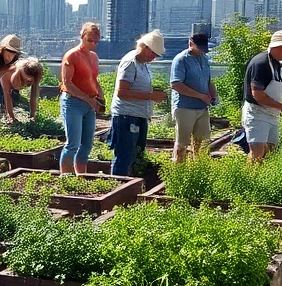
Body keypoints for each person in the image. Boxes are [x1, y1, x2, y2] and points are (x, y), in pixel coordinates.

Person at [108, 30, 167, 177]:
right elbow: (122, 92)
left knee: (135, 155)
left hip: (138, 115)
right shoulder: (130, 62)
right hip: (127, 115)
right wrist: (150, 96)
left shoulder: (142, 64)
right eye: (154, 53)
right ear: (146, 48)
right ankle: (119, 184)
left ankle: (128, 184)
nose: (154, 58)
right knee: (124, 155)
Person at [242, 30, 282, 163]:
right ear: (278, 46)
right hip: (257, 113)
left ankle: (263, 175)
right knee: (257, 152)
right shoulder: (261, 63)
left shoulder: (275, 64)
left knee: (270, 151)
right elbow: (257, 94)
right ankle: (250, 176)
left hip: (272, 114)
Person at [59, 23, 106, 174]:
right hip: (73, 102)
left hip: (89, 103)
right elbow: (67, 83)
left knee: (87, 144)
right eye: (90, 40)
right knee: (73, 144)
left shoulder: (93, 56)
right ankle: (66, 177)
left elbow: (93, 79)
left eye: (96, 41)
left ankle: (81, 175)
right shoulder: (72, 55)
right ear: (82, 36)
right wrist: (88, 99)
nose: (93, 44)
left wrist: (100, 96)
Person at [170, 32, 219, 162]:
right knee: (182, 144)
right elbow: (176, 84)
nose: (202, 51)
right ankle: (179, 170)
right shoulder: (181, 60)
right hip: (184, 108)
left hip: (202, 108)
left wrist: (213, 95)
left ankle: (199, 169)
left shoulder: (204, 59)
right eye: (200, 48)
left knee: (202, 144)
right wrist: (201, 96)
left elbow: (208, 81)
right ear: (191, 43)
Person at [0, 57, 44, 122]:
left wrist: (32, 116)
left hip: (16, 79)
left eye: (31, 80)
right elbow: (7, 94)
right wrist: (11, 116)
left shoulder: (36, 72)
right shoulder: (7, 72)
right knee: (0, 102)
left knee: (15, 100)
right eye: (28, 80)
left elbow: (33, 94)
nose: (30, 81)